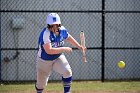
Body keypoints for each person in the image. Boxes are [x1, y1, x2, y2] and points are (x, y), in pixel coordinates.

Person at [35, 13, 85, 93]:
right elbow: (49, 51)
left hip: (58, 57)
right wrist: (64, 48)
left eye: (56, 25)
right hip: (44, 60)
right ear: (48, 25)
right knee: (41, 86)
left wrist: (79, 46)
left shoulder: (62, 30)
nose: (55, 27)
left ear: (59, 24)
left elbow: (68, 37)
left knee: (67, 71)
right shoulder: (45, 34)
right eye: (52, 25)